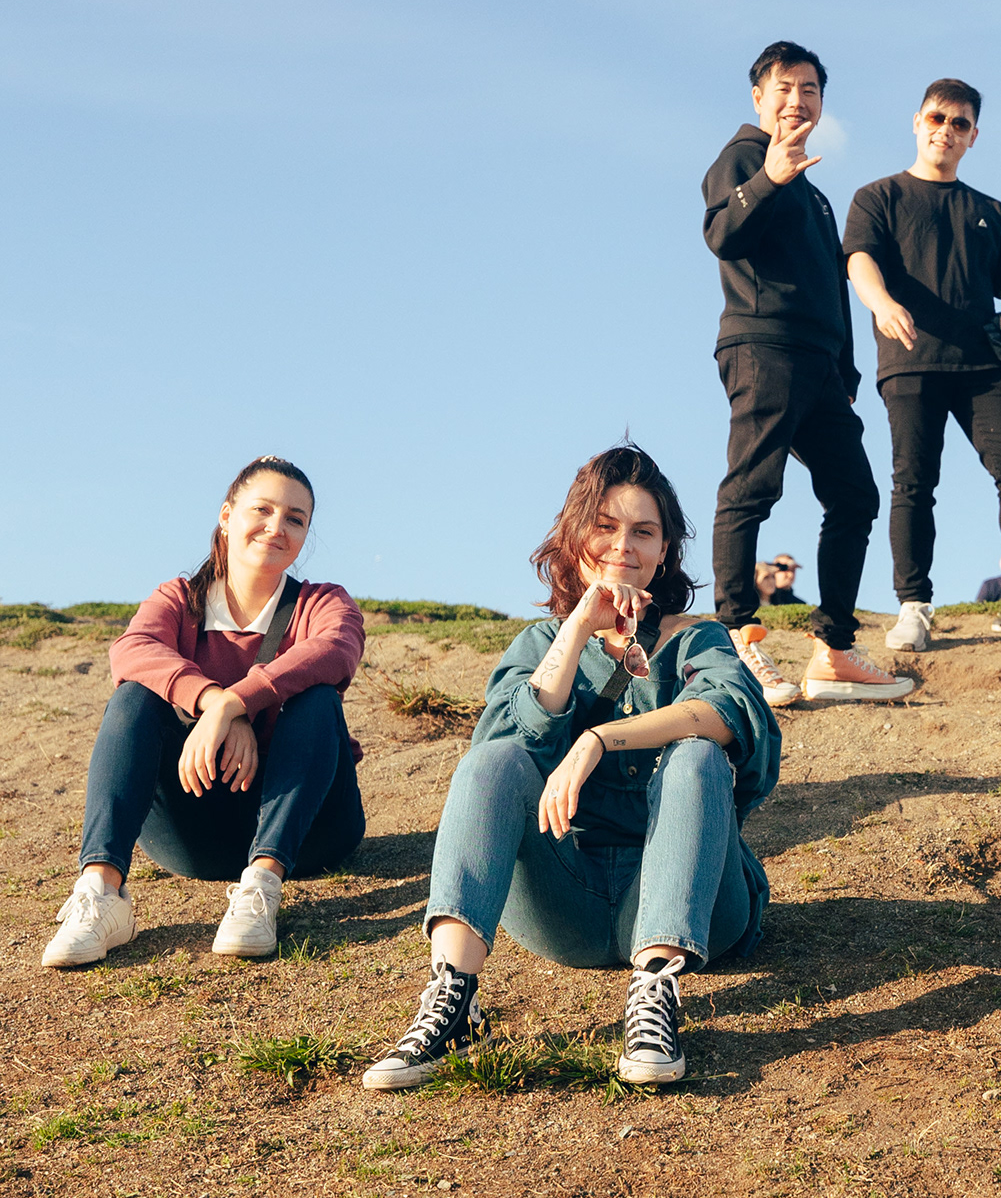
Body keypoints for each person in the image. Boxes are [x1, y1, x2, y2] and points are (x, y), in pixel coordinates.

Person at [362, 444, 779, 1094]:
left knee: (697, 752)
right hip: (566, 906)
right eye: (605, 527)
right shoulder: (540, 643)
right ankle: (453, 1000)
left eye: (644, 532)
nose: (623, 546)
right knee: (494, 759)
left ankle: (656, 993)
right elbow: (502, 743)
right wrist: (581, 623)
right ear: (574, 536)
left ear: (665, 550)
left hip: (694, 902)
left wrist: (599, 741)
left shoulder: (696, 637)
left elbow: (727, 714)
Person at [41, 456, 365, 969]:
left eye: (295, 519)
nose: (277, 527)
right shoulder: (178, 599)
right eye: (262, 510)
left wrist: (239, 701)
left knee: (318, 696)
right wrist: (215, 704)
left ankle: (262, 885)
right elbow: (132, 650)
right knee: (134, 696)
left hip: (313, 830)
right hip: (195, 836)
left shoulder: (322, 602)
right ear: (227, 515)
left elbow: (336, 650)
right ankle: (101, 892)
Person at [702, 41, 914, 709]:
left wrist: (846, 369)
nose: (799, 100)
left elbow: (832, 286)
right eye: (785, 87)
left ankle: (834, 651)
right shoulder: (742, 159)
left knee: (855, 497)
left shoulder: (816, 193)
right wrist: (768, 178)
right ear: (759, 96)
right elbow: (722, 236)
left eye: (811, 89)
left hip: (822, 366)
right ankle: (736, 639)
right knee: (752, 487)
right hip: (763, 346)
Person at [844, 78, 1001, 660]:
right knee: (913, 482)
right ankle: (913, 607)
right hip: (909, 360)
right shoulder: (877, 196)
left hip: (986, 366)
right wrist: (882, 303)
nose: (945, 131)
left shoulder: (991, 212)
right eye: (936, 118)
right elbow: (859, 261)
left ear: (973, 136)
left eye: (959, 123)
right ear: (917, 121)